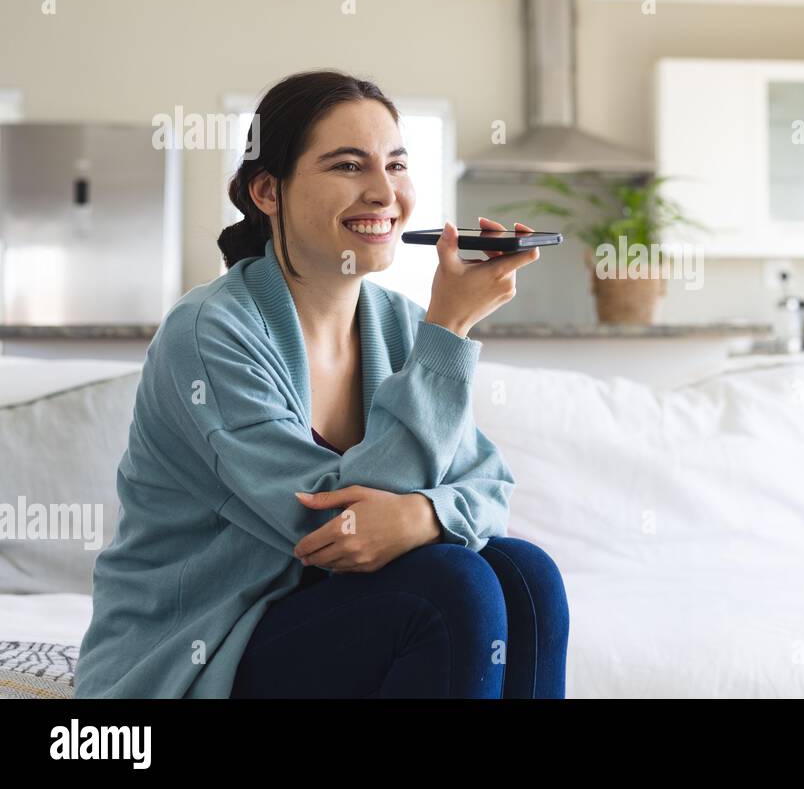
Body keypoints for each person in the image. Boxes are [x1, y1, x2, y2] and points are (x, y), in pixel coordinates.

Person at [74, 70, 568, 698]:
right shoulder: (209, 332)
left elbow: (490, 485)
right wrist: (450, 327)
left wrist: (422, 514)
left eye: (396, 165)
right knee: (451, 586)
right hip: (202, 654)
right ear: (267, 191)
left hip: (322, 623)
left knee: (527, 575)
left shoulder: (397, 323)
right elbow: (332, 533)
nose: (383, 192)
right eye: (347, 167)